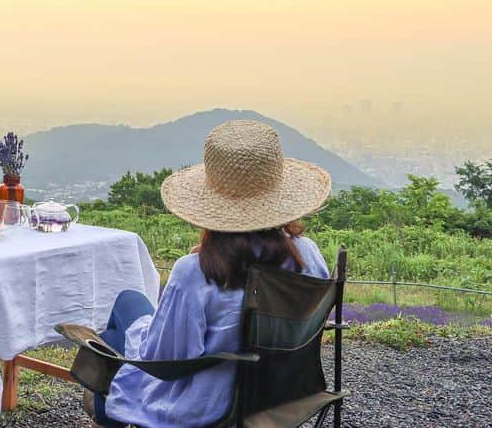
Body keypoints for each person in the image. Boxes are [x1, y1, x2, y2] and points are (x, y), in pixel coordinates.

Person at [93, 120, 332, 428]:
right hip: (282, 398)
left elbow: (164, 360)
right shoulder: (308, 254)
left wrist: (140, 331)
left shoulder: (196, 272)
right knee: (127, 305)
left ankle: (105, 414)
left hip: (209, 408)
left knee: (116, 326)